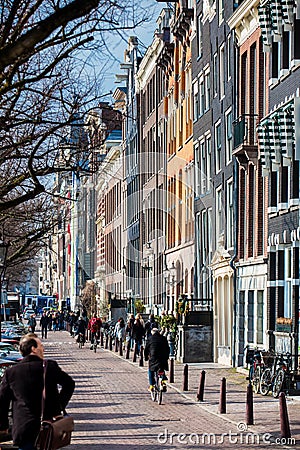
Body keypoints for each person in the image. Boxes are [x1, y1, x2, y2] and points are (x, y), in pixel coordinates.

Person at [0, 333, 75, 450]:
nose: (43, 348)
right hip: (48, 424)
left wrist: (3, 426)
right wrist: (58, 407)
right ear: (33, 349)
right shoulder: (49, 367)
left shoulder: (11, 373)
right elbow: (69, 384)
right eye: (40, 345)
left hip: (23, 428)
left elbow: (3, 401)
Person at [144, 328, 170, 392]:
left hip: (153, 357)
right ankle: (163, 381)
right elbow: (167, 348)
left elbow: (146, 349)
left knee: (151, 370)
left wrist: (146, 357)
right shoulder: (163, 338)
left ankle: (152, 385)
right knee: (161, 368)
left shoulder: (150, 339)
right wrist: (166, 357)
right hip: (162, 357)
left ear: (152, 332)